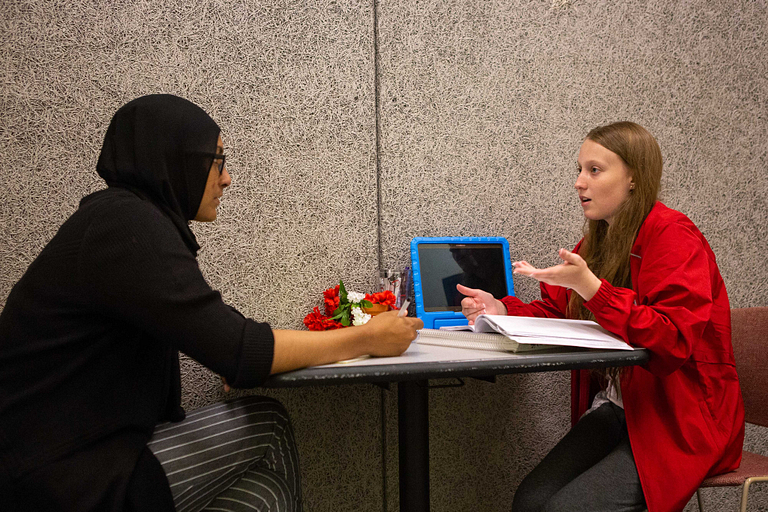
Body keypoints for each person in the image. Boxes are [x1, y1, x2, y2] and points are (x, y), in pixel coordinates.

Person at [0, 94, 423, 511]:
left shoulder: (126, 221)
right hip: (58, 478)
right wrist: (367, 338)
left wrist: (244, 352)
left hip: (76, 460)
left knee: (263, 491)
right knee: (268, 424)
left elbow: (216, 331)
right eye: (216, 160)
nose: (226, 178)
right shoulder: (125, 226)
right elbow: (238, 350)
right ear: (175, 159)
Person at [458, 122, 744, 512]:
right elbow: (561, 312)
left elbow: (672, 338)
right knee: (529, 501)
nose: (579, 182)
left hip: (680, 419)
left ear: (633, 179)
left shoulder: (674, 235)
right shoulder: (597, 241)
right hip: (620, 409)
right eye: (578, 169)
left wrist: (593, 288)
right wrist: (502, 308)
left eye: (594, 170)